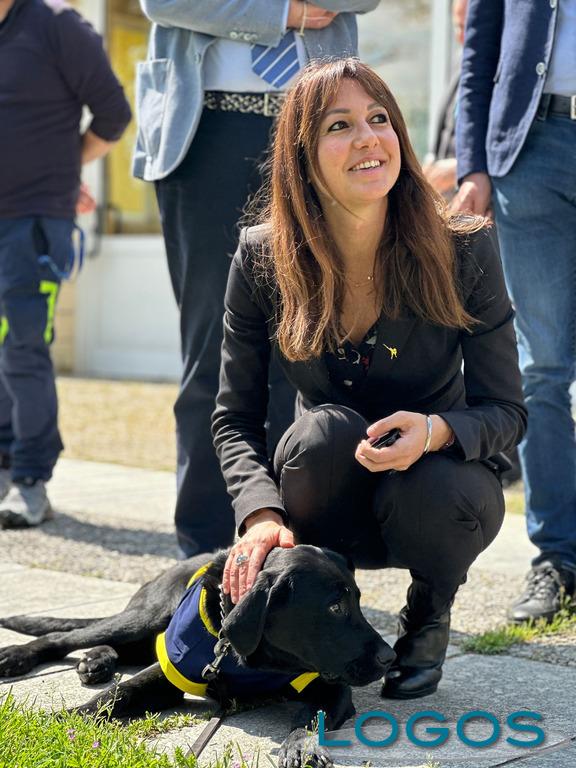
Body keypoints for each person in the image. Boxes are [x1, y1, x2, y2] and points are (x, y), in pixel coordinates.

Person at [211, 58, 527, 700]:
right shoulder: (263, 255)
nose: (367, 138)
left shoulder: (465, 248)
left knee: (443, 488)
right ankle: (326, 618)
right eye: (340, 125)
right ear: (302, 155)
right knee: (323, 433)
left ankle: (428, 617)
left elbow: (508, 413)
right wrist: (260, 514)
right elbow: (233, 418)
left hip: (437, 497)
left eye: (379, 119)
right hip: (324, 494)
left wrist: (437, 430)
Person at [134, 0, 381, 558]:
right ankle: (199, 556)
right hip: (206, 132)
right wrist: (282, 12)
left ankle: (298, 552)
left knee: (306, 349)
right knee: (212, 352)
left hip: (317, 133)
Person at [453, 0, 576, 623]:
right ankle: (559, 557)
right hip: (531, 150)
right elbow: (480, 54)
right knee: (544, 367)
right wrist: (470, 159)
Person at [0, 0, 131, 528]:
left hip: (33, 220)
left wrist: (62, 169)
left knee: (23, 343)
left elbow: (114, 114)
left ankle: (30, 479)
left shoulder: (56, 25)